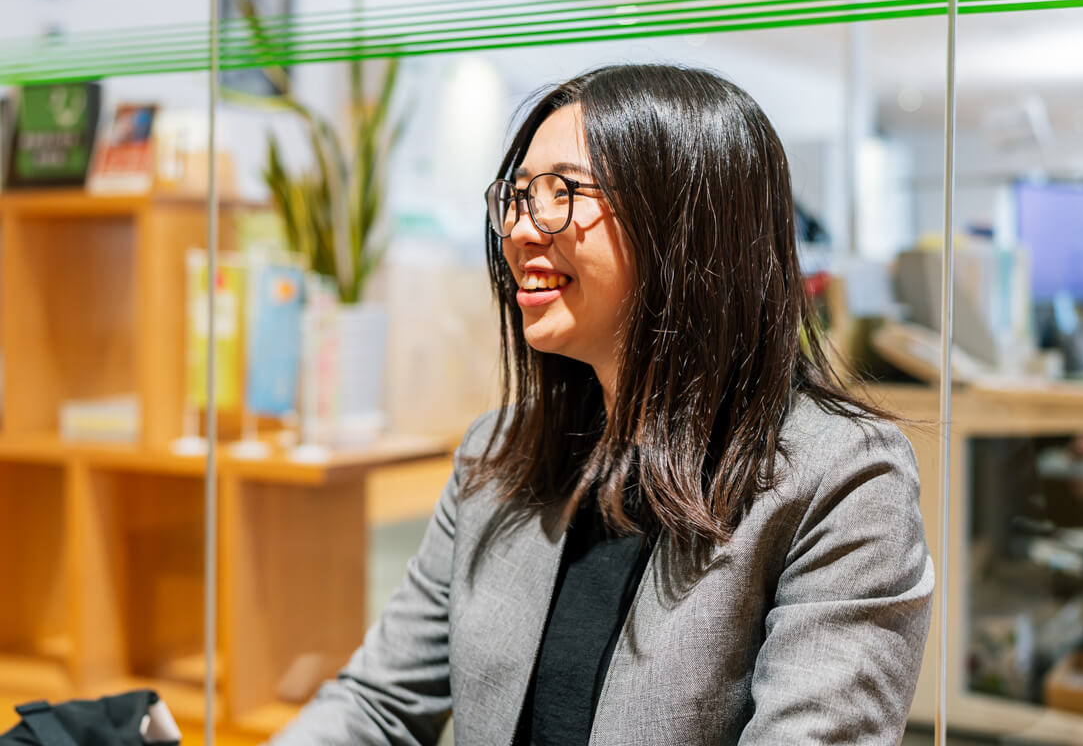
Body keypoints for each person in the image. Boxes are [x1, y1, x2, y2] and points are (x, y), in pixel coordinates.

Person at [273, 64, 933, 746]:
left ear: (685, 223)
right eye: (517, 196)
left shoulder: (842, 479)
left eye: (560, 192)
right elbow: (377, 703)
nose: (519, 229)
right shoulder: (498, 456)